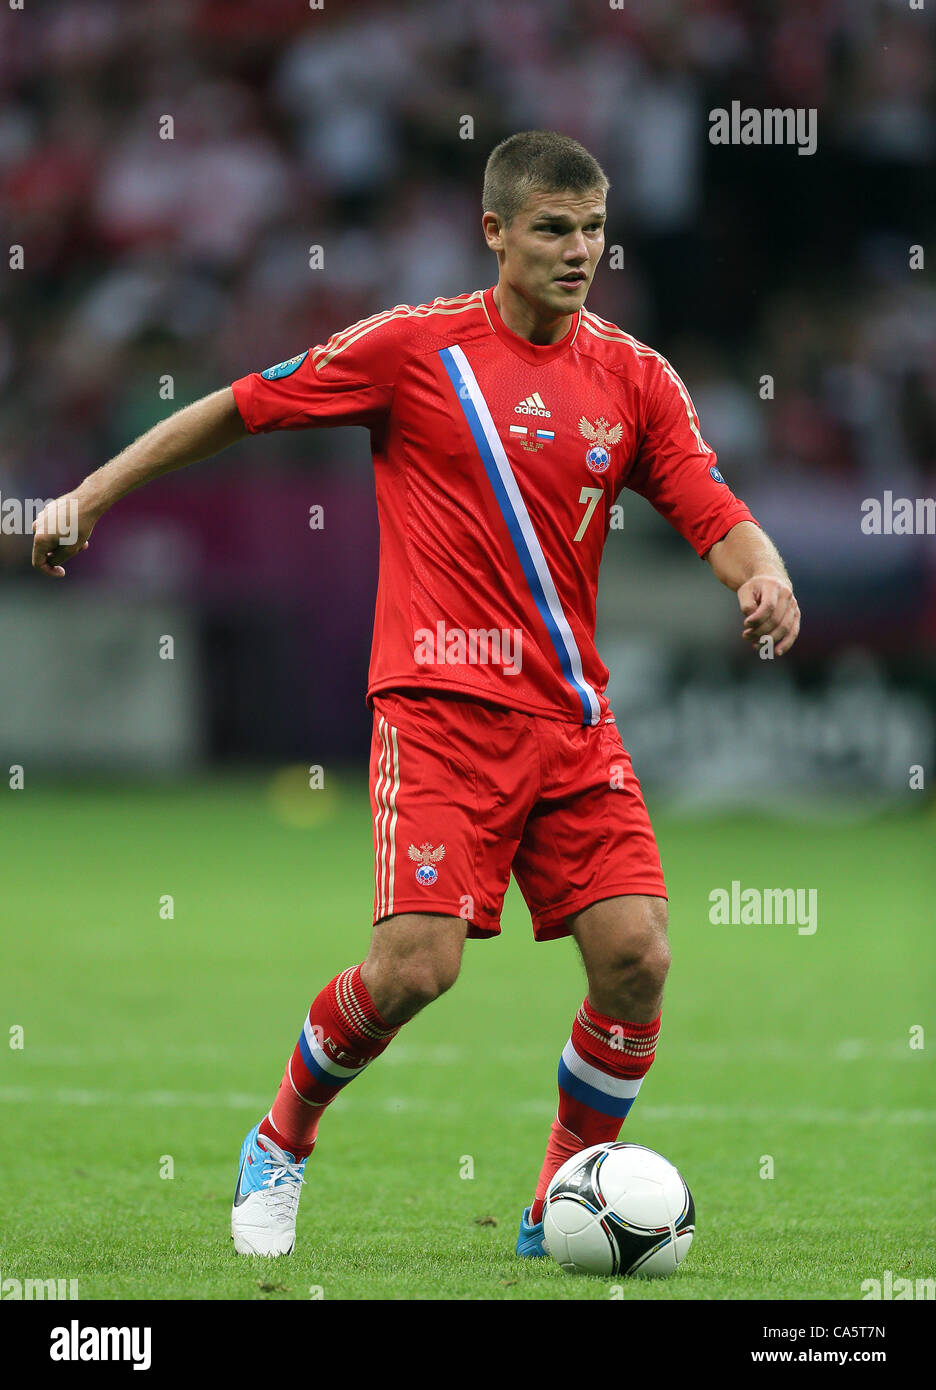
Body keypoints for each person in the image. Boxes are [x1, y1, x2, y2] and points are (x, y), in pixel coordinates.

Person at [32, 130, 801, 1260]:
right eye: (552, 228)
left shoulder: (636, 376)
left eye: (593, 228)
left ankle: (554, 1202)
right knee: (415, 970)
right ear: (495, 231)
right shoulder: (412, 350)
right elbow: (239, 406)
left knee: (638, 957)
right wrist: (89, 497)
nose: (579, 249)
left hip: (571, 719)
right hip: (438, 711)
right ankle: (280, 1140)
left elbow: (707, 504)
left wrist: (766, 573)